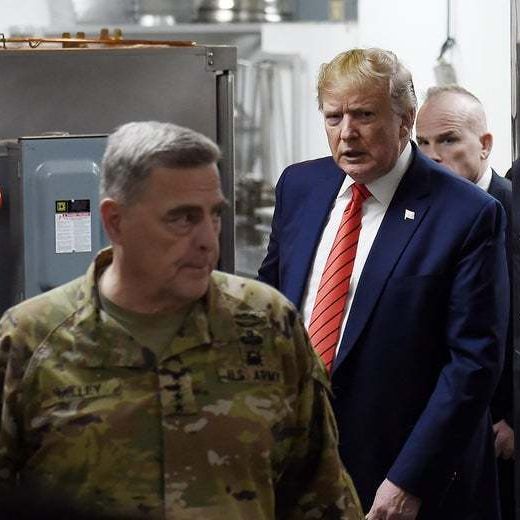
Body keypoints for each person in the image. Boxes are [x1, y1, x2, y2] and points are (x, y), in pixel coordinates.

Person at [0, 121, 363, 520]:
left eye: (214, 215)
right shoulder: (30, 340)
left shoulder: (266, 325)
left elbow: (322, 496)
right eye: (182, 218)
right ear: (115, 221)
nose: (208, 240)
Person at [258, 48, 509, 519]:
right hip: (299, 459)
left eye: (364, 115)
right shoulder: (299, 186)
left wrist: (409, 480)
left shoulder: (466, 213)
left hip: (404, 475)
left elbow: (472, 364)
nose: (347, 133)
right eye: (333, 117)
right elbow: (270, 308)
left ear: (405, 120)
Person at [416, 85, 515, 520]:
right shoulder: (418, 213)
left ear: (485, 144)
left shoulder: (511, 209)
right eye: (422, 143)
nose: (432, 156)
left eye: (448, 140)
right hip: (438, 427)